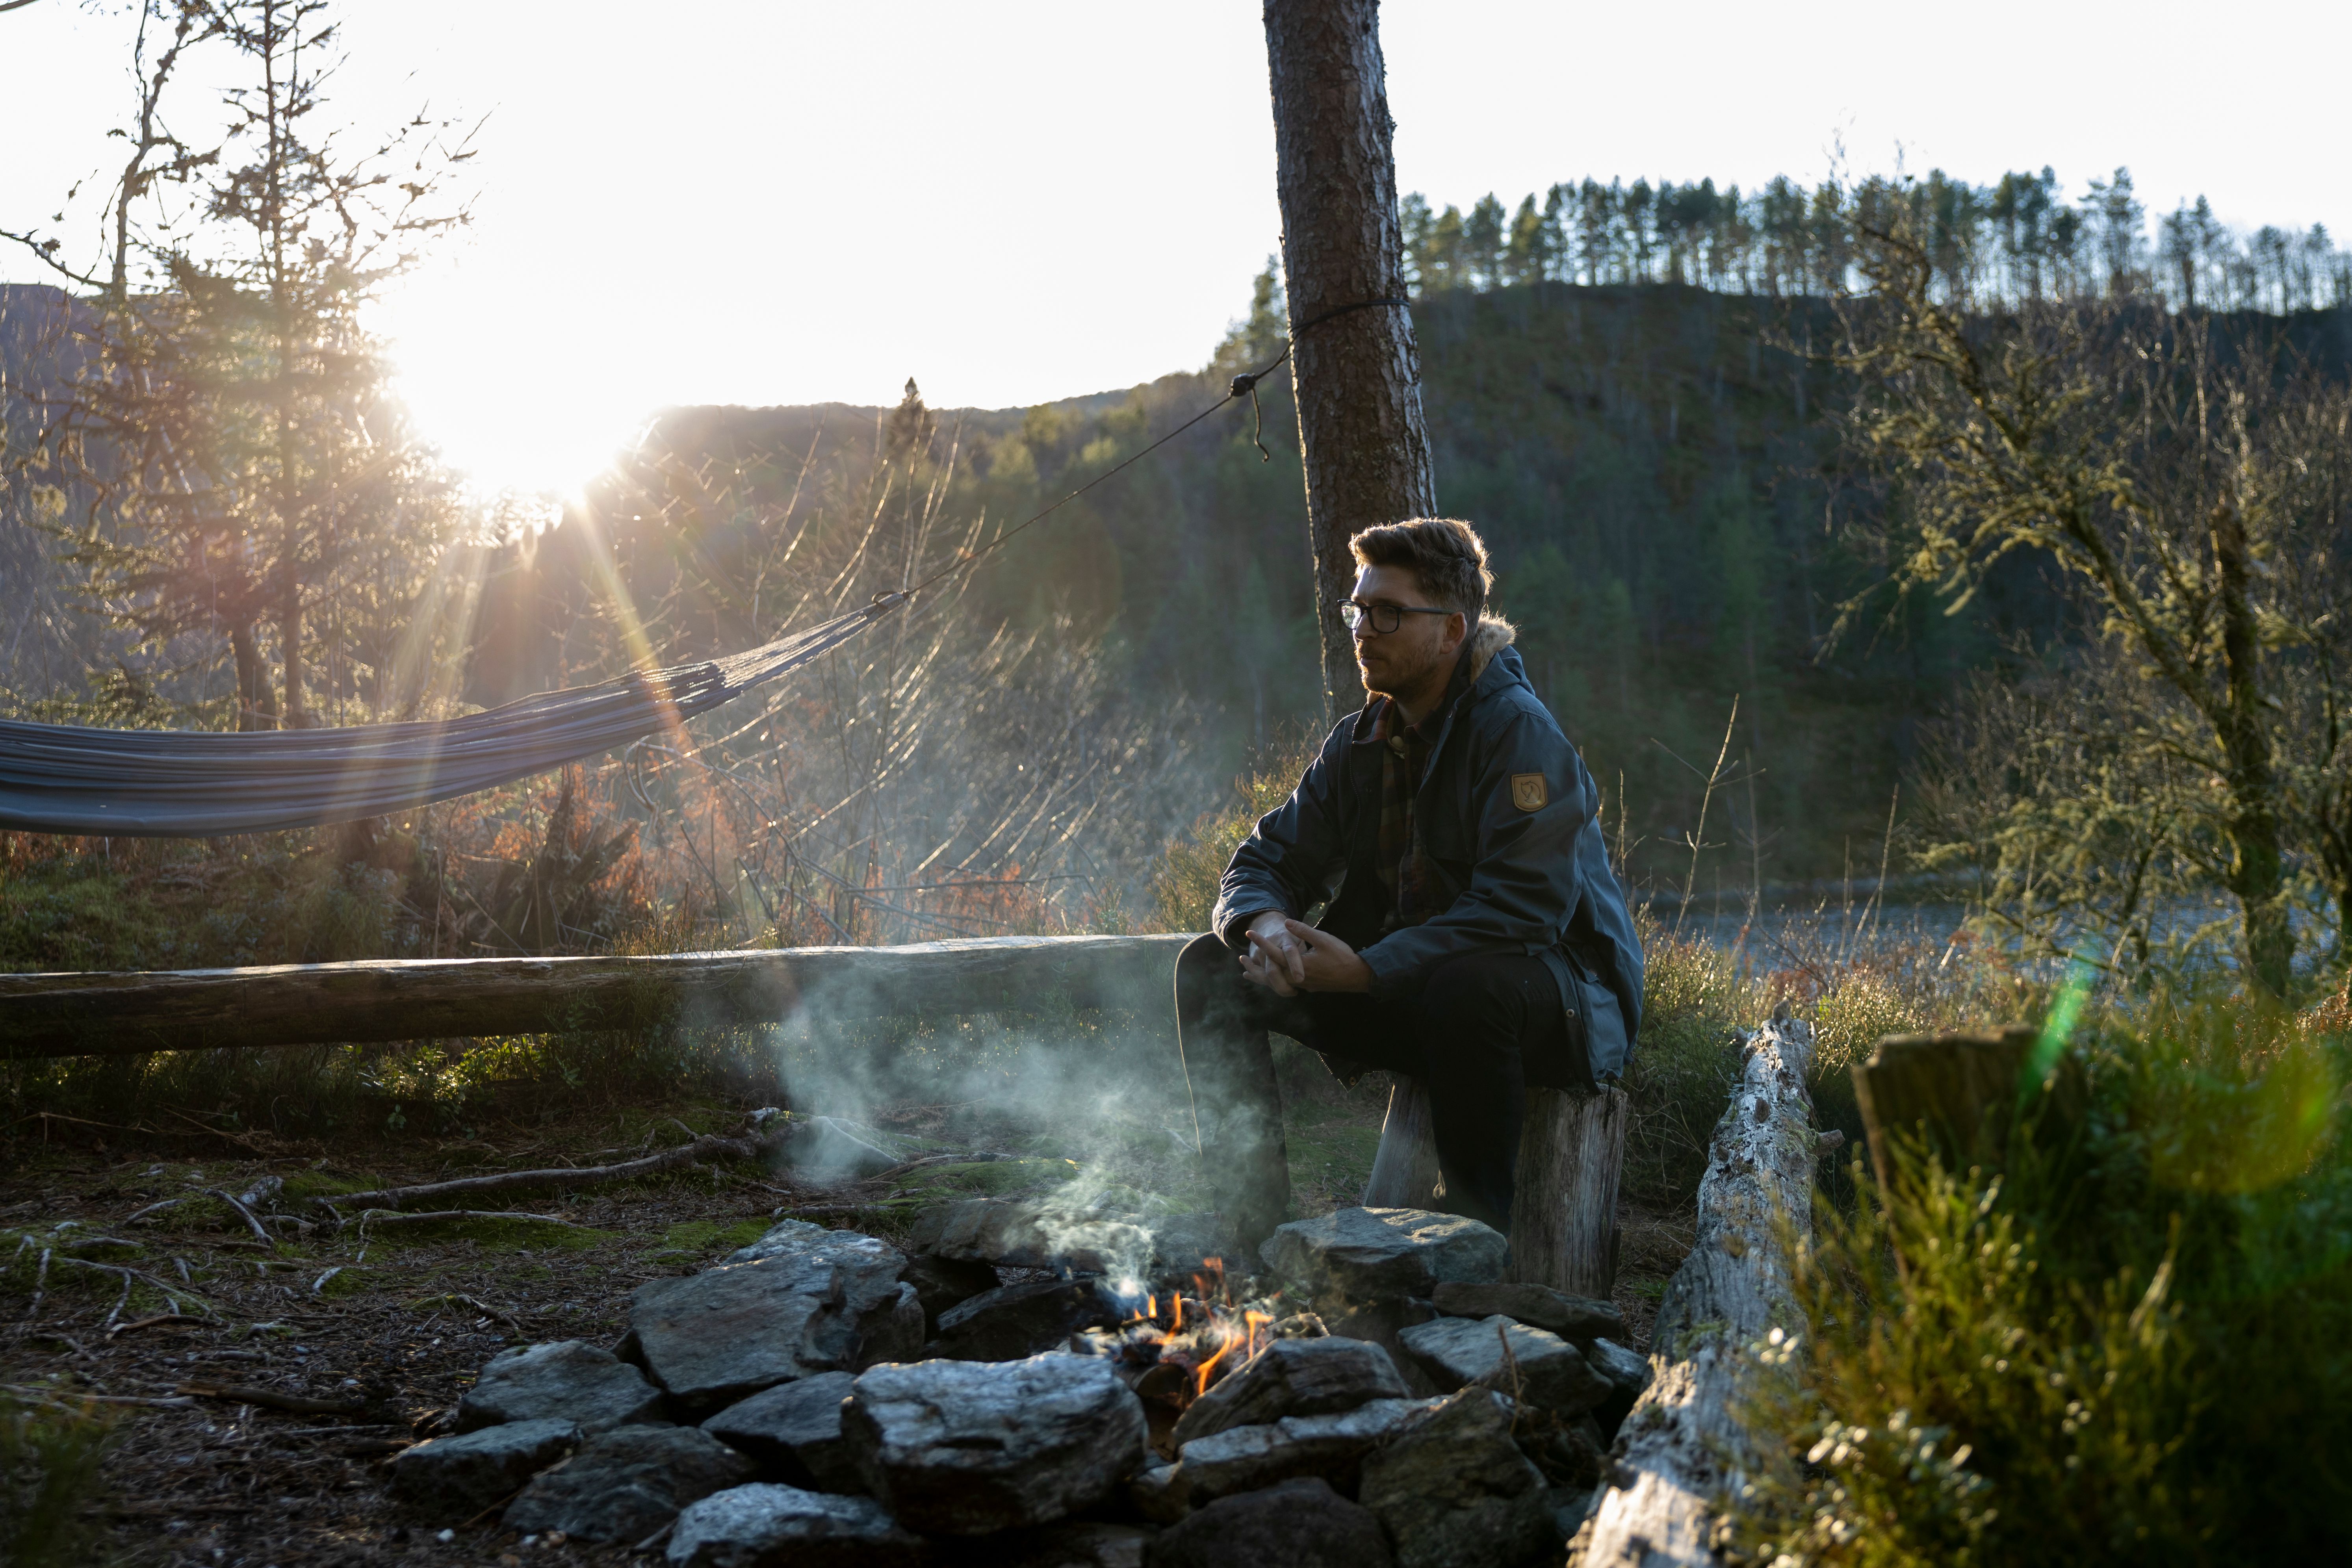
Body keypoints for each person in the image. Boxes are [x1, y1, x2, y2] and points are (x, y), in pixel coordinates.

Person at [1173, 516, 1642, 1252]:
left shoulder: (1518, 732)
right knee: (1211, 964)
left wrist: (1367, 969)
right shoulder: (1362, 739)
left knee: (1472, 986)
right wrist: (1262, 923)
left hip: (1558, 1007)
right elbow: (1268, 856)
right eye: (1358, 609)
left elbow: (1524, 909)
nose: (1364, 628)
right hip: (1410, 992)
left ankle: (1472, 1249)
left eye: (1388, 612)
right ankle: (1251, 1229)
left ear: (1453, 629)